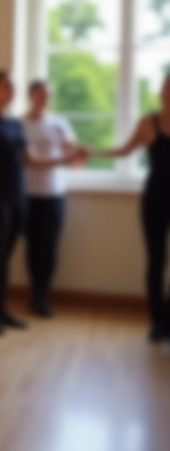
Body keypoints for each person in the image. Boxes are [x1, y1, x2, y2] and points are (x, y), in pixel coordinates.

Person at [0, 71, 82, 336]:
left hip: (17, 195)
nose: (11, 90)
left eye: (13, 86)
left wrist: (67, 158)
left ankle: (1, 309)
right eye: (5, 86)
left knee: (6, 256)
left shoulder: (15, 125)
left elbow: (32, 161)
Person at [89, 73, 170, 344]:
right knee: (156, 261)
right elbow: (124, 151)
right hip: (155, 200)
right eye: (168, 88)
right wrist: (93, 151)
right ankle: (157, 322)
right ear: (161, 92)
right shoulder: (148, 123)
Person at [21, 80, 82, 318]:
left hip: (54, 194)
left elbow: (73, 156)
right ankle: (34, 294)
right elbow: (29, 162)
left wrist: (77, 155)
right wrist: (64, 159)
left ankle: (42, 295)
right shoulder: (20, 124)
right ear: (31, 96)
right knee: (32, 246)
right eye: (40, 94)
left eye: (48, 94)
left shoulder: (59, 123)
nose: (45, 98)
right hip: (28, 194)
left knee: (49, 247)